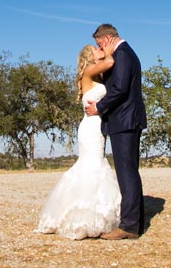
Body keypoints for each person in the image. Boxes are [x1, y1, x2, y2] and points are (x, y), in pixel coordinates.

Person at [35, 44, 121, 239]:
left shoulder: (97, 76)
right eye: (96, 48)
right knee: (91, 166)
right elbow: (111, 61)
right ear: (89, 56)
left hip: (96, 125)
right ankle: (83, 218)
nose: (100, 49)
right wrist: (109, 49)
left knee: (94, 164)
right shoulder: (89, 71)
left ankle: (96, 215)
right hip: (90, 127)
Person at [84, 23, 146, 240]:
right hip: (127, 120)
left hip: (125, 121)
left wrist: (99, 107)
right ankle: (136, 221)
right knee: (129, 171)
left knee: (126, 172)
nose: (99, 47)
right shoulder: (124, 53)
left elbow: (119, 88)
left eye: (99, 43)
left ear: (108, 38)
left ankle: (129, 227)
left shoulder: (122, 55)